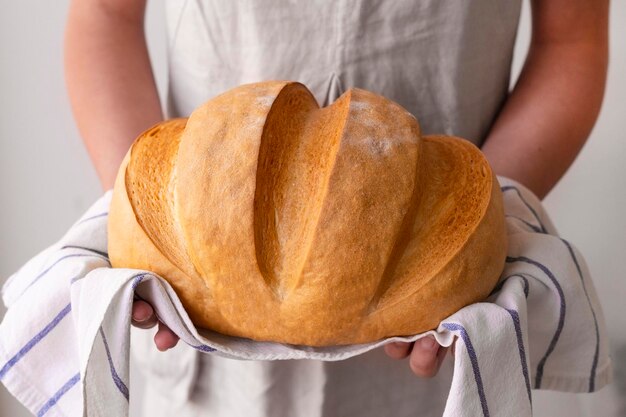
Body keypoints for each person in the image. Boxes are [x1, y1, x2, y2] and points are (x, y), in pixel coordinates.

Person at [64, 0, 609, 415]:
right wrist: (145, 226)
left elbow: (570, 40)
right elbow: (105, 15)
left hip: (440, 338)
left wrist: (480, 229)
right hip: (196, 324)